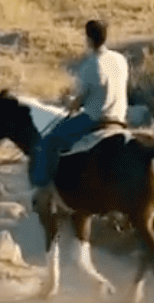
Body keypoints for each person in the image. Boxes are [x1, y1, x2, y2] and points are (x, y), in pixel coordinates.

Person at [29, 19, 130, 196]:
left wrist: (68, 101)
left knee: (48, 143)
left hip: (94, 119)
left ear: (88, 39)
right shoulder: (119, 59)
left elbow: (78, 103)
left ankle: (42, 191)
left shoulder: (90, 65)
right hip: (120, 117)